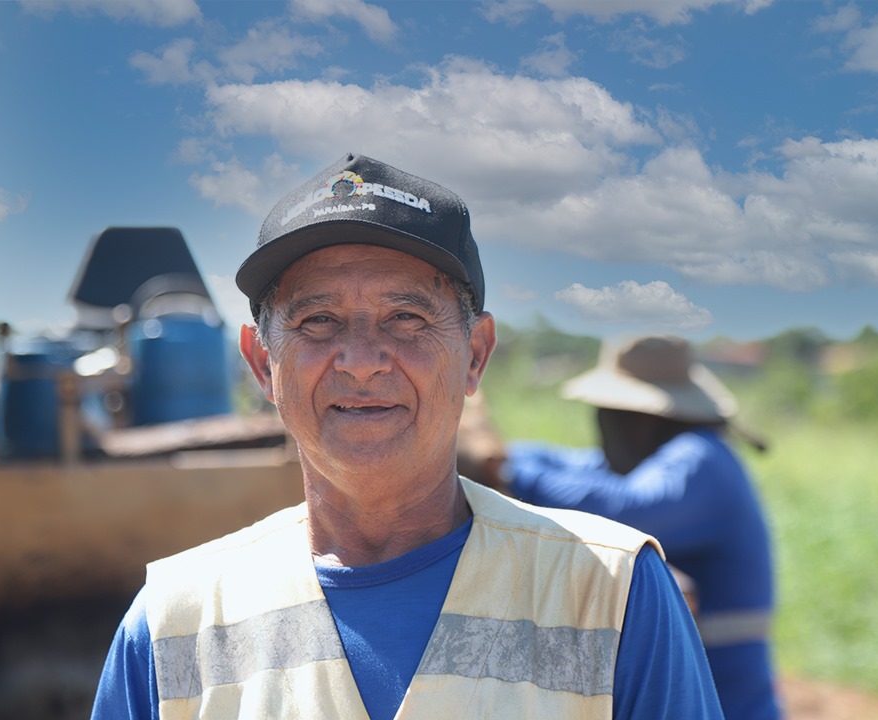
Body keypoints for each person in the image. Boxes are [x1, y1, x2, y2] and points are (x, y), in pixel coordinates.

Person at [90, 153, 724, 719]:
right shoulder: (173, 621)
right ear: (263, 366)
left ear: (475, 355)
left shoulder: (610, 591)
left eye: (406, 317)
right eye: (318, 320)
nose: (362, 359)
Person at [480, 334, 780, 720]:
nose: (601, 424)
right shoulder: (667, 456)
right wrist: (503, 455)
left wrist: (506, 471)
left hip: (725, 704)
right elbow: (570, 464)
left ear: (641, 417)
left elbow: (620, 506)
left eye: (608, 411)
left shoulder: (700, 460)